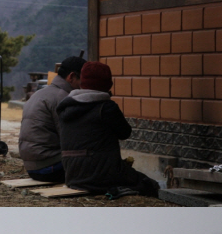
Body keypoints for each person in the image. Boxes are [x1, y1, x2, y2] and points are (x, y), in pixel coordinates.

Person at [56, 61, 160, 197]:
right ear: (108, 85)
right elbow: (125, 133)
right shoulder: (107, 108)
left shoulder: (66, 106)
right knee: (151, 185)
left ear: (82, 82)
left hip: (73, 177)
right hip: (103, 177)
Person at [19, 56, 86, 183]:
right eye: (82, 80)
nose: (83, 86)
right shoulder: (63, 98)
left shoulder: (39, 94)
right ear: (71, 77)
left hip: (32, 167)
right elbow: (72, 139)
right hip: (49, 168)